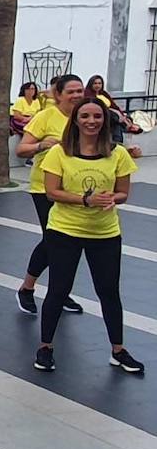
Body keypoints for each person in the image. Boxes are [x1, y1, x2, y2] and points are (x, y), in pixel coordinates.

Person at [33, 98, 143, 374]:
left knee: (109, 291)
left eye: (97, 116)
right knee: (59, 289)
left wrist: (110, 199)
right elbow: (52, 192)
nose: (91, 121)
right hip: (64, 231)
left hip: (105, 233)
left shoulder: (117, 154)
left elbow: (123, 193)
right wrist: (85, 199)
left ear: (105, 120)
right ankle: (45, 347)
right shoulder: (59, 152)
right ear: (76, 121)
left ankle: (118, 350)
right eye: (85, 116)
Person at [14, 75, 86, 316]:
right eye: (71, 91)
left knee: (67, 241)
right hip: (45, 187)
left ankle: (59, 292)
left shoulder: (85, 116)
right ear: (59, 94)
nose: (77, 95)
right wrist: (43, 145)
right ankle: (27, 288)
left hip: (76, 189)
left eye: (80, 90)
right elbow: (21, 148)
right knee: (54, 239)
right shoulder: (46, 116)